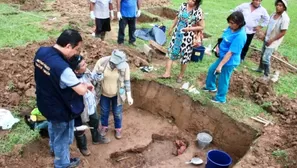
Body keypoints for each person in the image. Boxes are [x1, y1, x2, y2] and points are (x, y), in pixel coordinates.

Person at [34, 29, 94, 168]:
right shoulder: (63, 69)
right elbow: (80, 90)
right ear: (68, 46)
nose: (77, 53)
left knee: (52, 126)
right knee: (62, 136)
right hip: (59, 108)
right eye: (76, 49)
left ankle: (53, 149)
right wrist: (85, 85)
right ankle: (62, 163)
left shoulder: (41, 52)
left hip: (44, 101)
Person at [68, 55, 111, 156]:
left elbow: (94, 78)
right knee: (80, 129)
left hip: (91, 106)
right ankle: (83, 147)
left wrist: (99, 73)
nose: (86, 65)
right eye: (83, 64)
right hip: (80, 109)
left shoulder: (86, 72)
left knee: (95, 122)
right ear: (76, 71)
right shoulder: (71, 80)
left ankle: (96, 138)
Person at [202, 11, 247, 104]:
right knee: (211, 70)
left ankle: (221, 98)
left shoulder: (240, 36)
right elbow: (224, 38)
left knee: (223, 78)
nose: (230, 25)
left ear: (239, 23)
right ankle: (210, 87)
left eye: (232, 23)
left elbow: (231, 53)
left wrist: (220, 65)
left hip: (229, 61)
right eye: (229, 22)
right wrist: (218, 46)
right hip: (222, 57)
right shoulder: (231, 28)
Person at [160, 0, 204, 83]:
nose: (190, 1)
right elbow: (177, 17)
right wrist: (172, 27)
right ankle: (167, 73)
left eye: (193, 0)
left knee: (185, 57)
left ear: (197, 2)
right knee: (171, 52)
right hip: (177, 35)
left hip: (187, 38)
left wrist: (189, 29)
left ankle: (181, 75)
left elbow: (202, 27)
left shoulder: (198, 11)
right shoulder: (183, 6)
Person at [93, 49, 133, 139]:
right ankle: (104, 126)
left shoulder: (125, 66)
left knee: (117, 112)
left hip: (118, 95)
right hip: (103, 93)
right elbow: (93, 77)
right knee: (104, 111)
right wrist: (98, 76)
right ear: (114, 62)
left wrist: (129, 96)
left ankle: (118, 128)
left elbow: (127, 81)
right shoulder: (102, 62)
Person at [253, 0, 290, 78]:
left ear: (284, 8)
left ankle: (266, 75)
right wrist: (265, 35)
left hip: (274, 41)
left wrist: (271, 40)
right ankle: (260, 68)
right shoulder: (273, 14)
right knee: (262, 53)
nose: (278, 7)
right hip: (268, 37)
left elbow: (283, 32)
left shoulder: (285, 18)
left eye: (280, 6)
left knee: (266, 57)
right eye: (277, 5)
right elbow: (269, 26)